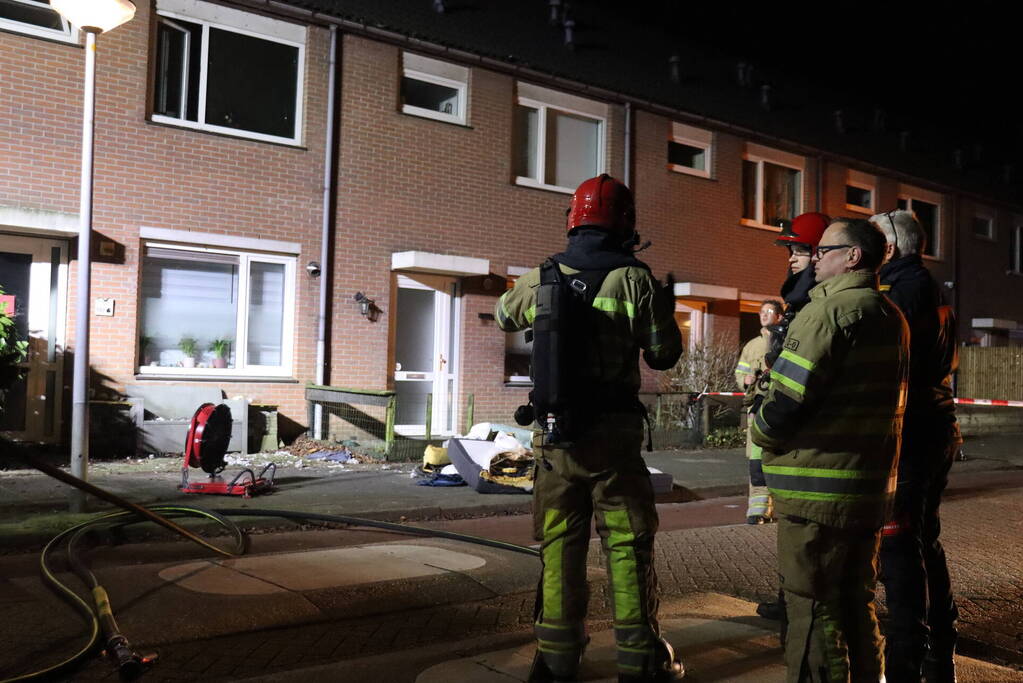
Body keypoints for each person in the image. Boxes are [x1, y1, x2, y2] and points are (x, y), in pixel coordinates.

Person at [495, 174, 684, 683]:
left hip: (555, 439)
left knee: (560, 545)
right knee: (626, 545)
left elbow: (503, 317)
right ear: (625, 223)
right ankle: (640, 659)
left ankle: (556, 659)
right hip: (614, 439)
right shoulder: (636, 279)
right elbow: (664, 355)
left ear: (573, 221)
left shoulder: (543, 275)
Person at [751, 218, 910, 681]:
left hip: (816, 492)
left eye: (824, 250)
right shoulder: (890, 315)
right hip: (868, 490)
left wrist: (759, 431)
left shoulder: (827, 312)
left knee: (815, 608)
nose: (815, 257)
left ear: (853, 256)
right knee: (856, 601)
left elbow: (784, 403)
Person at [870, 209, 961, 682]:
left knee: (901, 542)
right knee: (924, 537)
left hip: (913, 429)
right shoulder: (930, 287)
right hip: (936, 423)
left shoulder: (901, 293)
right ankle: (938, 645)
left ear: (887, 248)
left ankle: (909, 654)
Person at [753, 211, 830, 622]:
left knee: (806, 532)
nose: (791, 257)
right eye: (790, 250)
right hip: (797, 437)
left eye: (799, 249)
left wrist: (764, 426)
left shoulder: (814, 302)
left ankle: (799, 609)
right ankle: (793, 601)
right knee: (795, 529)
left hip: (803, 435)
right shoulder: (800, 298)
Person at [736, 299, 784, 524]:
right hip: (757, 407)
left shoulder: (785, 342)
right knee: (756, 461)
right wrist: (745, 381)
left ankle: (776, 507)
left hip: (778, 407)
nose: (764, 315)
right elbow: (741, 372)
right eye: (761, 311)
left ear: (780, 316)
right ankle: (757, 509)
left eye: (769, 311)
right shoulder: (752, 346)